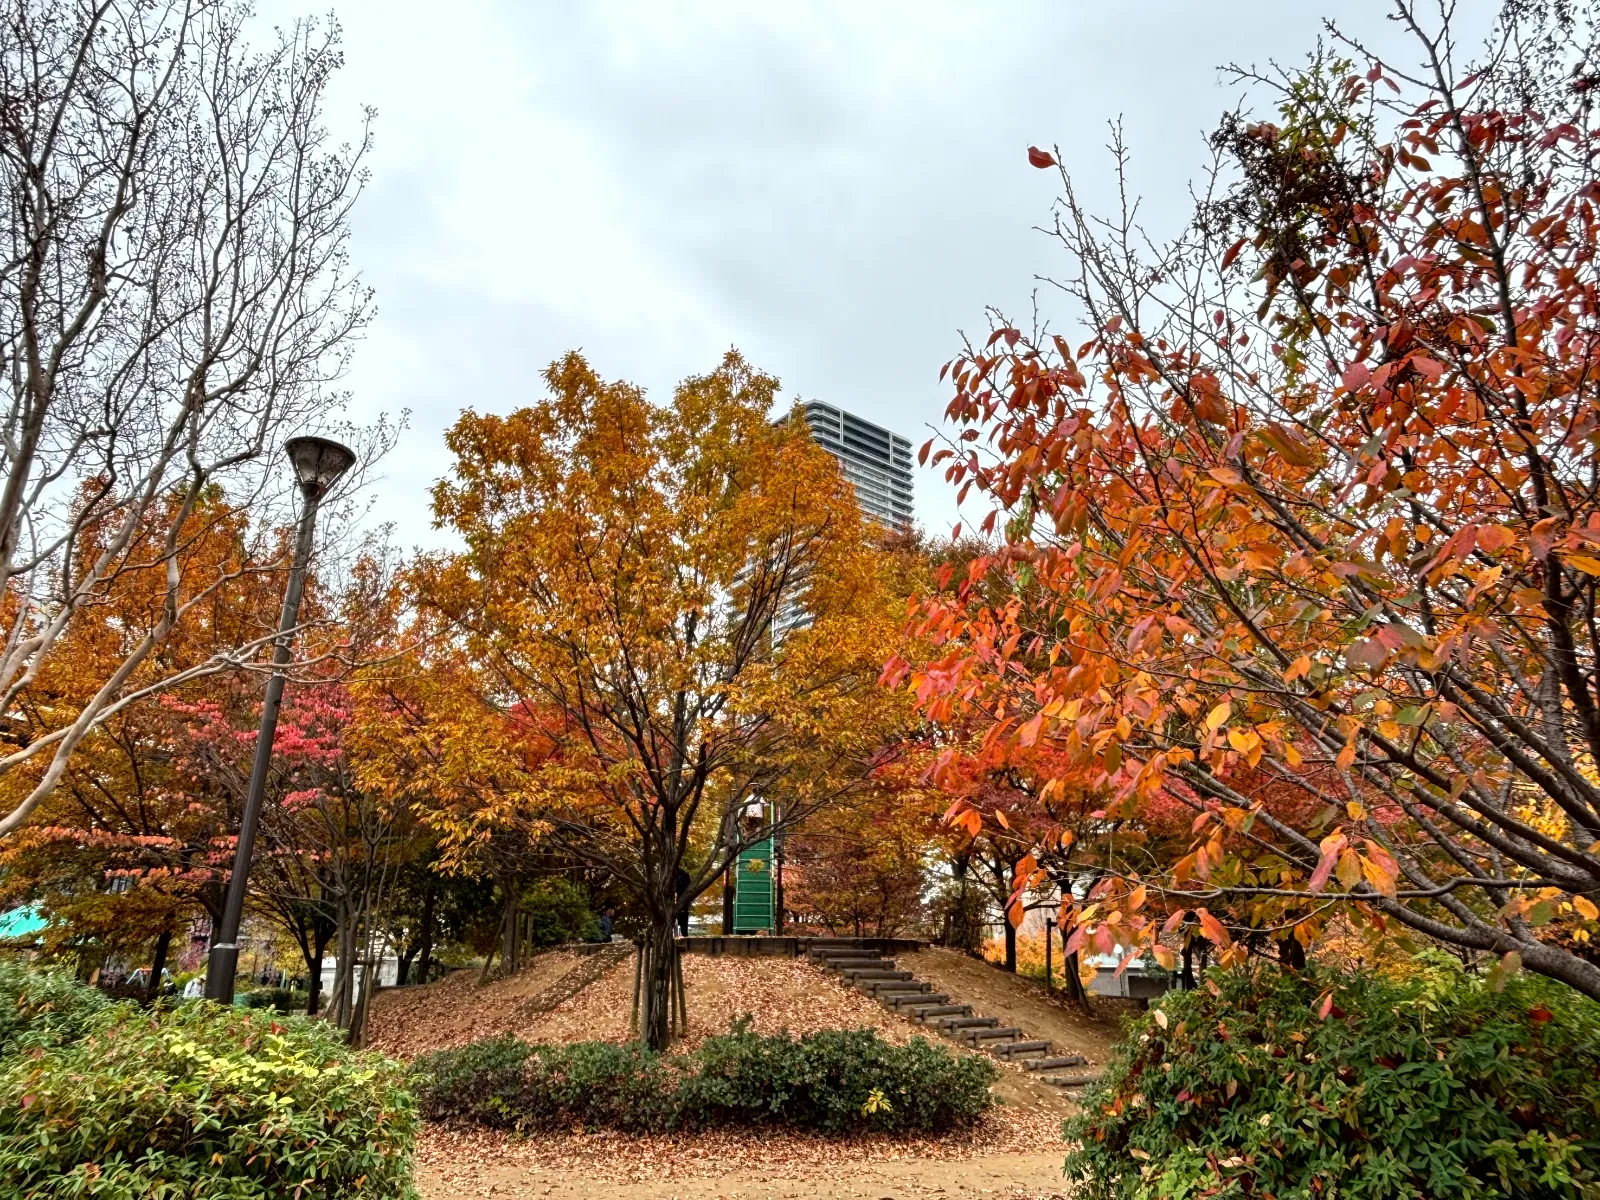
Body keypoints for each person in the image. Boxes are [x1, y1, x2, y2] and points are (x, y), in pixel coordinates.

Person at [674, 867, 691, 937]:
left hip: (683, 896)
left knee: (683, 913)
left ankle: (684, 931)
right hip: (680, 897)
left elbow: (683, 887)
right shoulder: (677, 876)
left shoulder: (684, 875)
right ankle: (683, 930)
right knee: (682, 913)